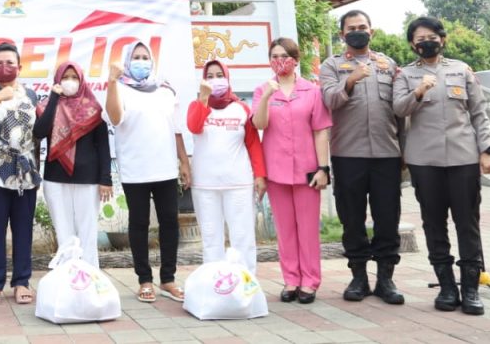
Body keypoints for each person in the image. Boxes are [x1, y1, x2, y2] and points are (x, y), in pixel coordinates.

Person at [393, 16, 490, 316]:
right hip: (425, 162)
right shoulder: (406, 75)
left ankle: (471, 289)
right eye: (420, 38)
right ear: (413, 44)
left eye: (432, 36)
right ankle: (448, 288)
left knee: (468, 224)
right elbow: (398, 109)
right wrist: (419, 92)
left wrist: (487, 150)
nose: (427, 41)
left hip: (464, 158)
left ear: (442, 39)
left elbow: (479, 112)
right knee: (434, 224)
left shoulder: (461, 70)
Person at [319, 10, 404, 304]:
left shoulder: (388, 65)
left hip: (386, 153)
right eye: (351, 28)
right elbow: (329, 100)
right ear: (342, 35)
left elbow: (401, 109)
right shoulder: (331, 66)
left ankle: (385, 278)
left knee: (387, 217)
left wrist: (404, 151)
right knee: (352, 218)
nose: (358, 31)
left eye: (363, 27)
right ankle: (358, 276)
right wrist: (351, 80)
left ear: (372, 32)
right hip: (348, 154)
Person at [0, 42, 59, 307]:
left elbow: (42, 129)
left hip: (25, 173)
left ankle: (21, 282)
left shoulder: (31, 94)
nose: (4, 67)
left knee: (22, 229)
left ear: (19, 67)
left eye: (10, 62)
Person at [106, 40, 190, 304]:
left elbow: (175, 129)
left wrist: (184, 162)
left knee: (169, 221)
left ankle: (168, 279)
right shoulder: (120, 87)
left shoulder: (165, 90)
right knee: (139, 224)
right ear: (128, 60)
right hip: (135, 169)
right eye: (136, 57)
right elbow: (115, 117)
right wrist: (111, 82)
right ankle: (144, 279)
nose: (141, 62)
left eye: (145, 57)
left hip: (165, 167)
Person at [252, 37, 332, 304]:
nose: (280, 61)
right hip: (276, 171)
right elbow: (259, 124)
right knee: (285, 230)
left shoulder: (312, 91)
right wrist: (266, 96)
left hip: (308, 171)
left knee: (308, 229)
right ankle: (291, 280)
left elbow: (320, 131)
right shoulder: (263, 89)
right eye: (274, 56)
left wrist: (323, 168)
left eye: (284, 55)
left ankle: (310, 281)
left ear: (296, 60)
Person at [187, 59, 266, 274]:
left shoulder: (241, 108)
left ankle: (246, 284)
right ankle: (214, 286)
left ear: (227, 78)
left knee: (242, 237)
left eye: (219, 75)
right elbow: (194, 127)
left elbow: (253, 143)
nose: (215, 80)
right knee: (211, 240)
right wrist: (204, 97)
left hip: (238, 183)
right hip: (205, 185)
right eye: (209, 76)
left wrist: (260, 175)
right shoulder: (197, 106)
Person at [34, 61, 111, 268]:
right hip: (55, 180)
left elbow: (103, 146)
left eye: (74, 77)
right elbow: (39, 132)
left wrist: (106, 179)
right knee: (64, 234)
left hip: (89, 180)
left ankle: (91, 279)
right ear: (57, 81)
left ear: (82, 79)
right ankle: (66, 281)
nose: (70, 82)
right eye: (65, 77)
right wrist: (53, 97)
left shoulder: (93, 108)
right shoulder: (47, 107)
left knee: (88, 233)